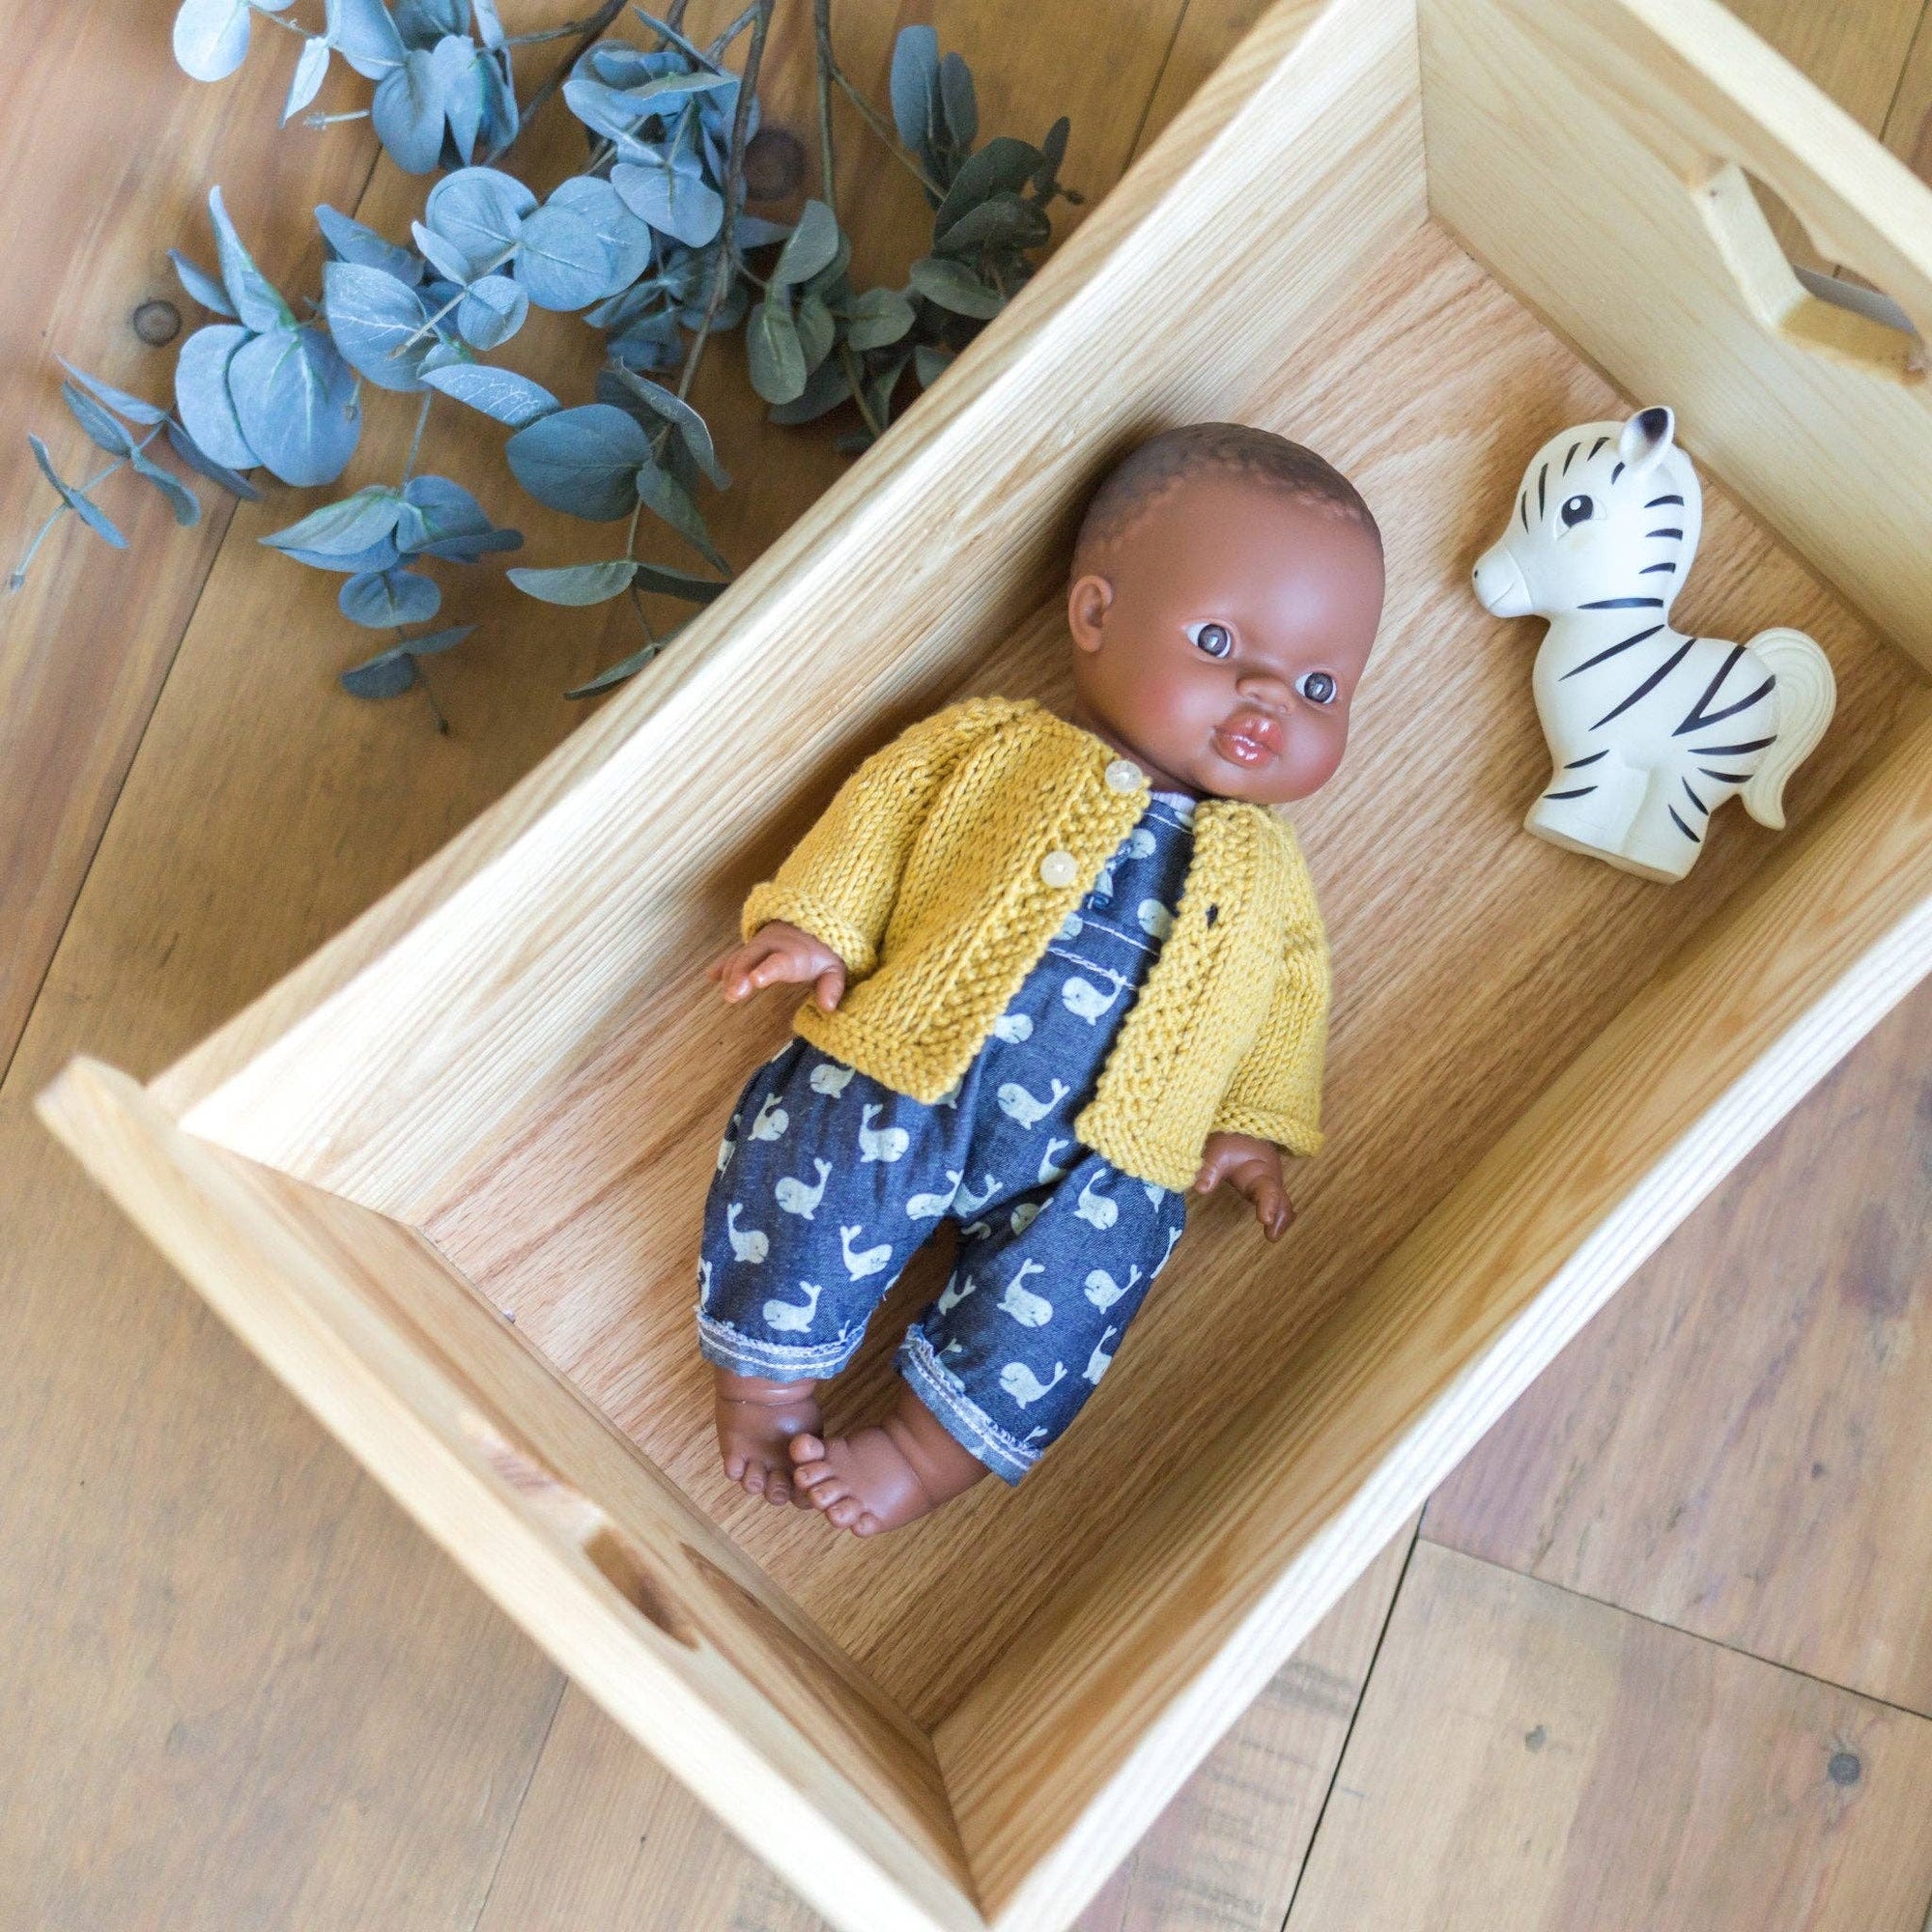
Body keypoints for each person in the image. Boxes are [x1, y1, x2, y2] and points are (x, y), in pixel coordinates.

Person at [696, 421, 1385, 1534]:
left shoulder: (1268, 870)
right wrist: (813, 923)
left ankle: (922, 1453)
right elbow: (882, 815)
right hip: (905, 1066)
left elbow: (1288, 997)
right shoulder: (994, 747)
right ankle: (766, 1379)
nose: (1267, 700)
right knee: (808, 1162)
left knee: (1064, 1308)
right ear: (1094, 614)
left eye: (1317, 683)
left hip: (1108, 1161)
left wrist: (1255, 1121)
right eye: (1217, 640)